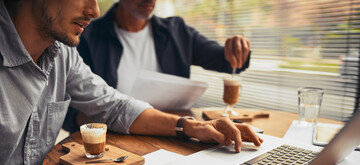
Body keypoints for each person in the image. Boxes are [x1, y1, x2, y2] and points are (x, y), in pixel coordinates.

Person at [0, 0, 262, 165]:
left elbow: (113, 105)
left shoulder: (62, 53)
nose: (94, 10)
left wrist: (190, 126)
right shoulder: (83, 37)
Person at [63, 0, 251, 133]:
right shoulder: (85, 36)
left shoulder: (177, 32)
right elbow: (67, 109)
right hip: (115, 140)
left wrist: (237, 48)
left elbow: (227, 61)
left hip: (175, 133)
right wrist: (104, 118)